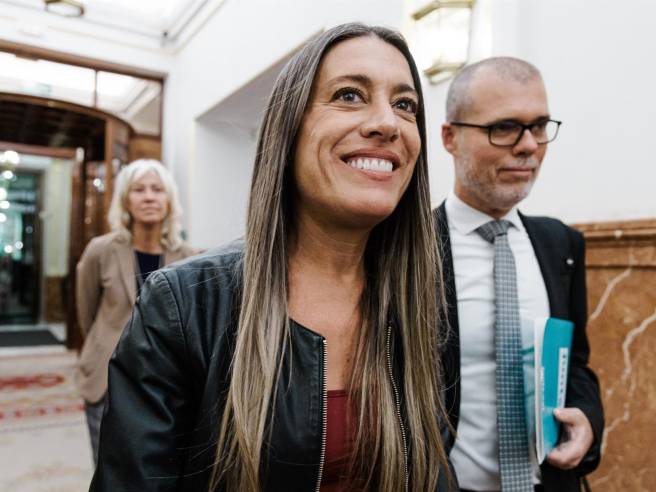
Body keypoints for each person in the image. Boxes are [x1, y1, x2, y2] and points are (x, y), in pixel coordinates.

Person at [90, 23, 457, 492]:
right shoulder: (183, 305)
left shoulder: (418, 300)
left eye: (405, 105)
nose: (387, 123)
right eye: (349, 95)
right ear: (288, 132)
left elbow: (434, 471)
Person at [435, 57, 604, 492]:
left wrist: (587, 420)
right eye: (505, 127)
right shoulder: (408, 249)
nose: (528, 145)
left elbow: (575, 364)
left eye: (539, 125)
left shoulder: (561, 244)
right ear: (451, 137)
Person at [74, 159, 195, 464]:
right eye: (139, 190)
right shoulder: (100, 250)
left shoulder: (187, 257)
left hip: (165, 382)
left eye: (157, 189)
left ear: (169, 200)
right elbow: (87, 314)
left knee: (158, 468)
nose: (149, 197)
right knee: (107, 466)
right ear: (126, 200)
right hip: (107, 378)